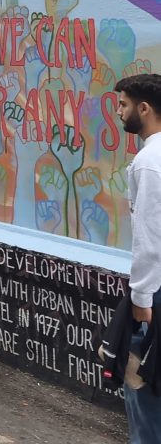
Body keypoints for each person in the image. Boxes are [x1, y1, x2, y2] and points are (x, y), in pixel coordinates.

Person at [114, 72, 161, 442]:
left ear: (144, 109)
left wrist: (141, 298)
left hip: (155, 290)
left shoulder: (149, 161)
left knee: (142, 383)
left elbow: (149, 237)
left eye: (123, 105)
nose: (119, 112)